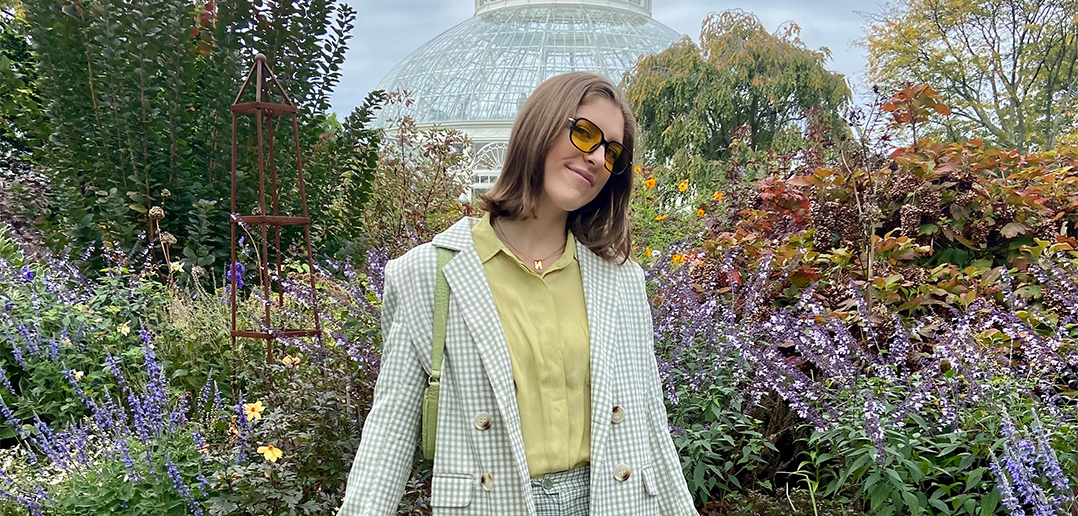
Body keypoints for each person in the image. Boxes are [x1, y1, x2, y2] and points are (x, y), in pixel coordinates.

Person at [339, 72, 695, 515]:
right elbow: (389, 432)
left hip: (612, 502)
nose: (598, 158)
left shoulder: (621, 280)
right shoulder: (429, 273)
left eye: (613, 152)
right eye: (585, 133)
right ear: (540, 127)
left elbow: (651, 426)